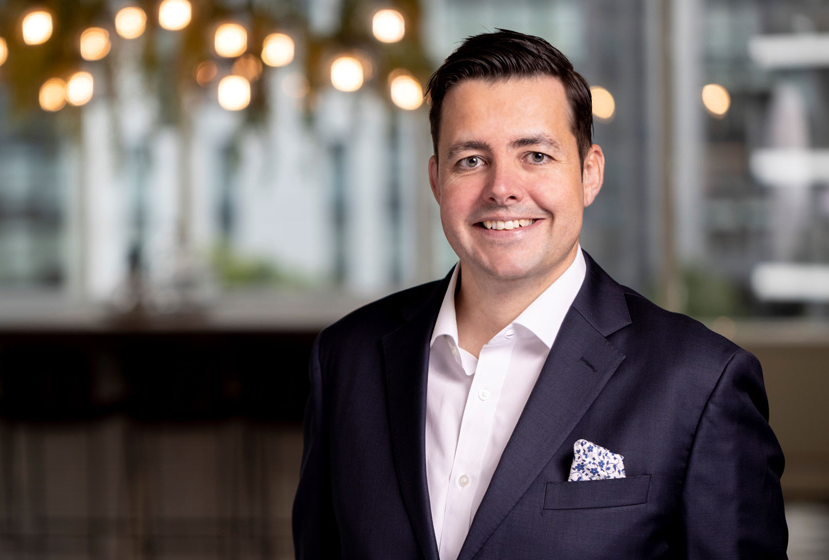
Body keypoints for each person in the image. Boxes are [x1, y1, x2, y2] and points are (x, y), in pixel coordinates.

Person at [292, 29, 787, 559]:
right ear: (436, 181)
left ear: (589, 174)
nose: (502, 188)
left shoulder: (699, 381)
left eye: (535, 155)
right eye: (471, 160)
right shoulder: (347, 357)